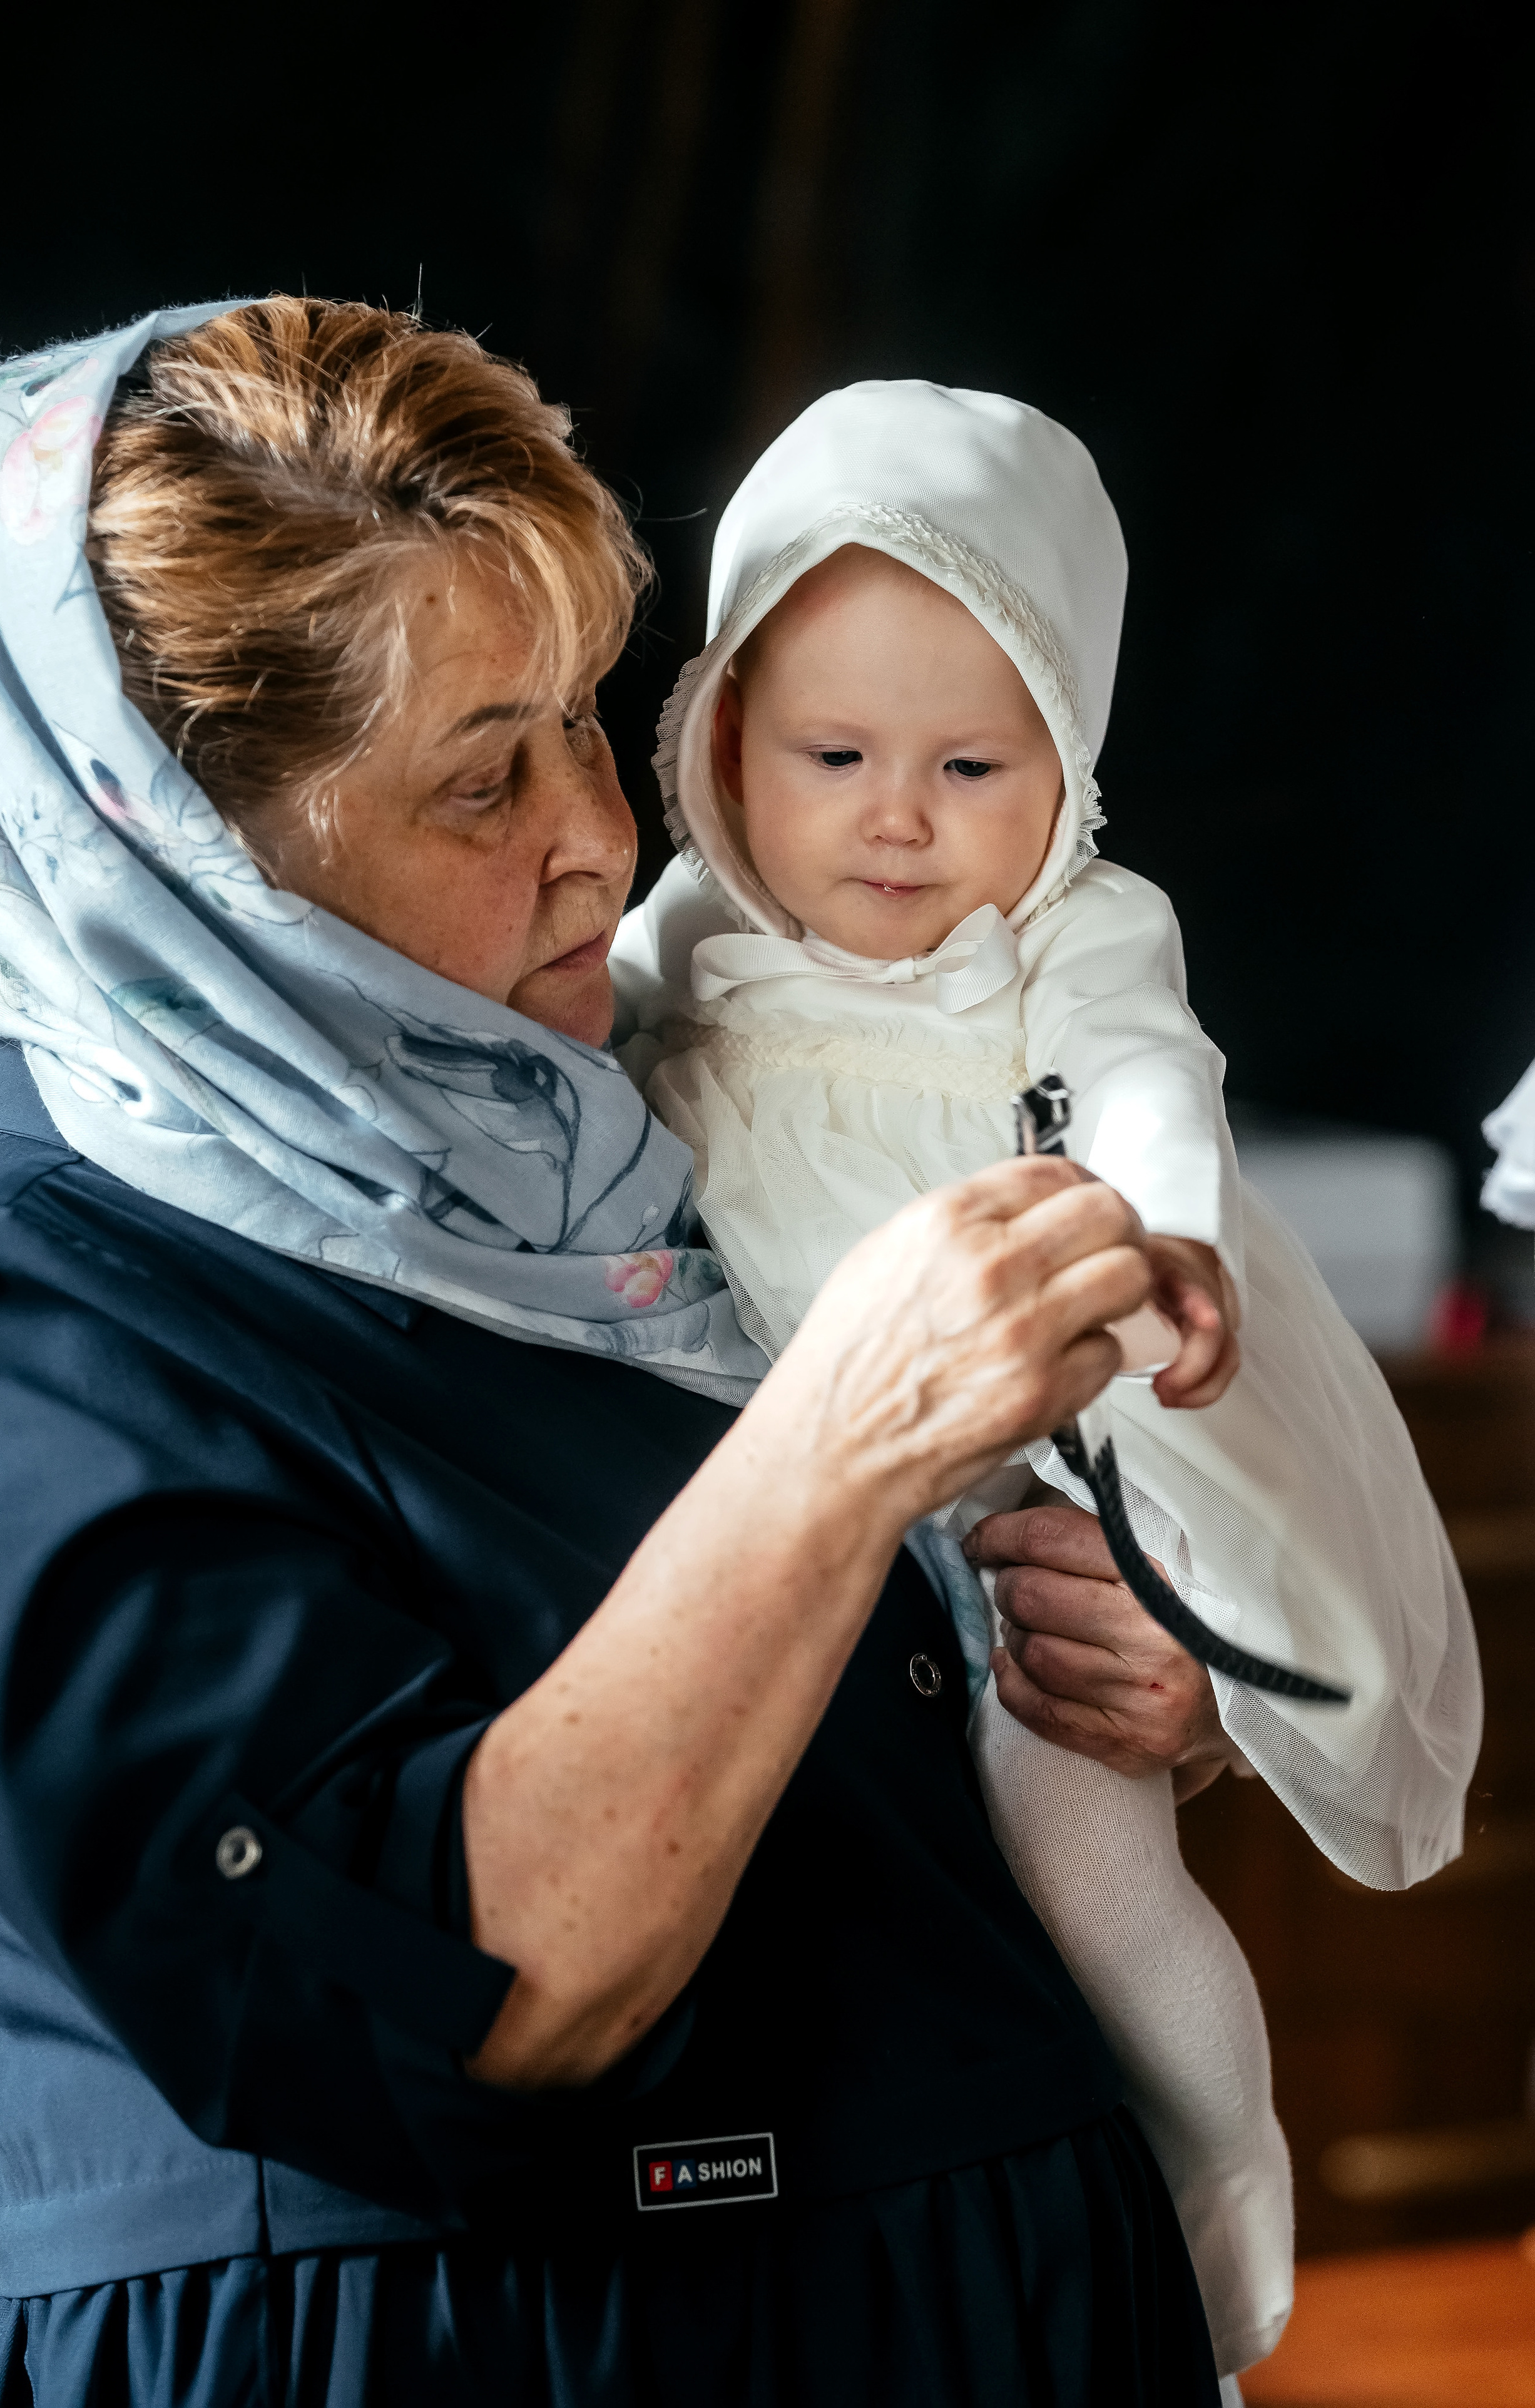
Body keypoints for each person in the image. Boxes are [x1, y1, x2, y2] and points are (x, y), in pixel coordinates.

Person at [0, 299, 1239, 2407]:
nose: (604, 839)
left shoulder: (648, 1142)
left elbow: (881, 1791)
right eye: (481, 780)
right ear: (172, 862)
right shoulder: (23, 1358)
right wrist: (837, 1447)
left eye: (585, 724)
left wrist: (1119, 1686)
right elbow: (473, 1998)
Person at [611, 381, 1486, 2385]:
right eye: (833, 754)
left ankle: (1222, 2194)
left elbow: (1158, 1089)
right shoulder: (676, 945)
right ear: (721, 737)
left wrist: (1163, 1235)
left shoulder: (1075, 942)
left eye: (974, 763)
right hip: (768, 1491)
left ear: (1068, 771)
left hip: (1032, 1480)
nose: (899, 816)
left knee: (1087, 1850)